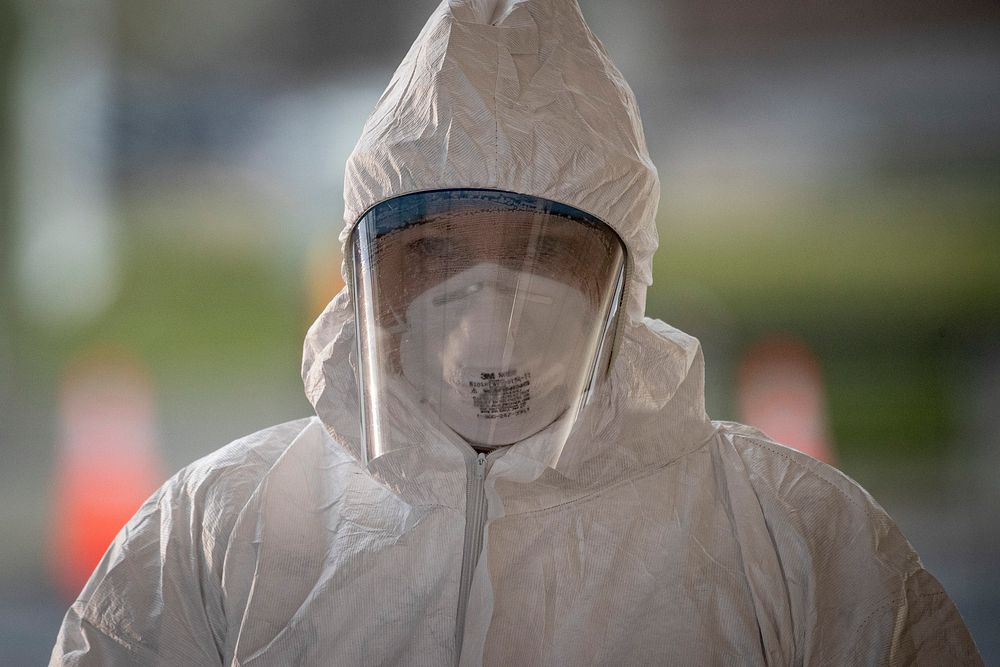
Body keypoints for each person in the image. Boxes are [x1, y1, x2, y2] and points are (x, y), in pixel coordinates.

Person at [51, 0, 983, 664]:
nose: (486, 305)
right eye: (434, 248)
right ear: (361, 278)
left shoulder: (797, 543)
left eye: (541, 255)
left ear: (622, 278)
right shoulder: (216, 536)